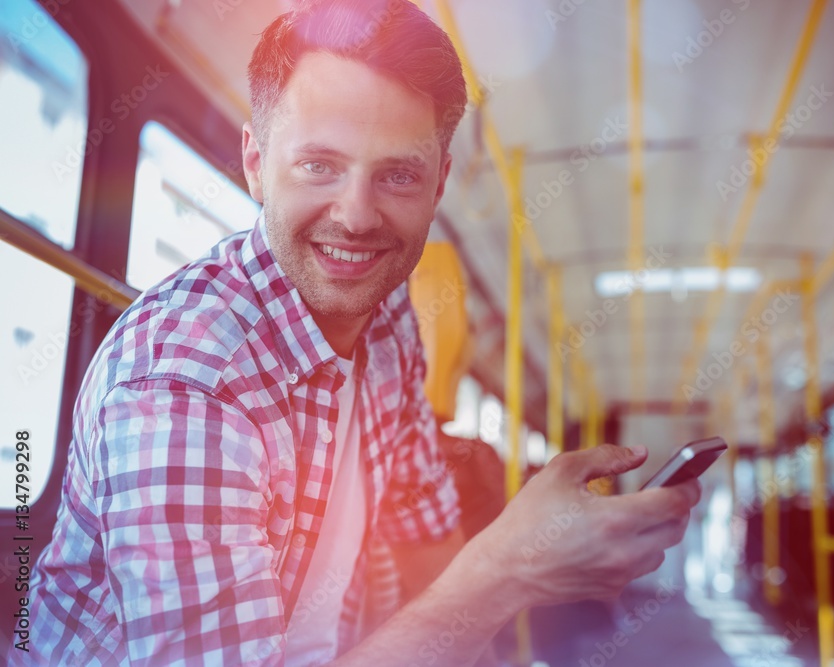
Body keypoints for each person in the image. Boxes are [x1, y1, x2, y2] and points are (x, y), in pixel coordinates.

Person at [13, 1, 700, 665]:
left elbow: (423, 535)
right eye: (319, 165)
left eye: (397, 174)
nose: (357, 216)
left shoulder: (390, 312)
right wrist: (508, 570)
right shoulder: (183, 386)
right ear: (255, 161)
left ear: (438, 185)